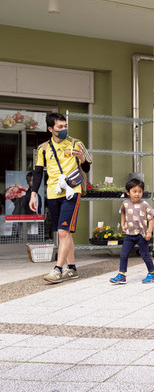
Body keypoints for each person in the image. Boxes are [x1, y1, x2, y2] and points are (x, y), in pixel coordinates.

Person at [29, 112, 92, 284]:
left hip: (72, 192)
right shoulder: (42, 148)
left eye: (65, 126)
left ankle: (57, 269)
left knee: (64, 232)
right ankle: (71, 268)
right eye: (60, 127)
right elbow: (38, 172)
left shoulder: (76, 143)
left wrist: (82, 159)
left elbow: (86, 167)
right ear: (51, 129)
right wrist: (33, 194)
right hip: (53, 193)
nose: (64, 129)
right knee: (64, 233)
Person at [109, 179, 154, 284]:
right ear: (128, 192)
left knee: (145, 255)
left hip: (142, 234)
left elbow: (151, 217)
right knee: (123, 255)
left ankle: (152, 273)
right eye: (134, 191)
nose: (137, 194)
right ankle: (122, 275)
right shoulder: (125, 203)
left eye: (139, 191)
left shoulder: (144, 204)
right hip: (129, 234)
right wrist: (122, 224)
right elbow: (122, 213)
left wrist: (149, 232)